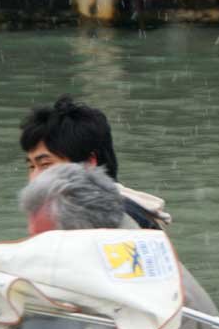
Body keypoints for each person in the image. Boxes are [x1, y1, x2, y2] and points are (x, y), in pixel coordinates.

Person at [17, 162, 219, 329]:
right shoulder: (101, 267)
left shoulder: (148, 292)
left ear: (80, 237)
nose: (37, 255)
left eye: (44, 246)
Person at [20, 95, 171, 230]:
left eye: (46, 165)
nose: (34, 179)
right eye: (32, 166)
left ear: (89, 163)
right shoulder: (135, 212)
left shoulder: (108, 220)